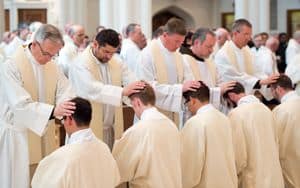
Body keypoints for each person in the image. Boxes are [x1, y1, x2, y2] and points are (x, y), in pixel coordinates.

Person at [0, 24, 75, 188]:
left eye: (54, 55)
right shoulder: (11, 65)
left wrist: (64, 104)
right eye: (47, 53)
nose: (49, 59)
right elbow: (20, 105)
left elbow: (66, 89)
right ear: (34, 44)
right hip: (18, 138)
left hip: (43, 133)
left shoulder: (51, 65)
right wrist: (53, 111)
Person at [69, 29, 144, 149]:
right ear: (95, 44)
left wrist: (140, 89)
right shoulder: (80, 63)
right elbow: (91, 89)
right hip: (88, 129)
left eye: (112, 53)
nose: (109, 56)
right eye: (106, 51)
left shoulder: (116, 62)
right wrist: (122, 91)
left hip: (111, 129)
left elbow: (131, 79)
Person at [31, 97, 120, 188]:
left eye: (63, 119)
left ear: (69, 119)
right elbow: (116, 179)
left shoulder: (60, 158)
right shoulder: (104, 148)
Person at [112, 83, 181, 188]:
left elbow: (117, 171)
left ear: (137, 102)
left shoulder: (137, 131)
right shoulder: (171, 126)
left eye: (132, 105)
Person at [137, 17, 199, 126]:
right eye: (176, 41)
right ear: (165, 35)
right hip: (153, 118)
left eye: (181, 42)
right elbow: (146, 88)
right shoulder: (148, 54)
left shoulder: (179, 56)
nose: (179, 46)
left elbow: (188, 80)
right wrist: (180, 89)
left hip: (174, 116)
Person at [224, 82, 284, 188]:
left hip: (253, 177)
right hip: (274, 174)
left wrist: (233, 175)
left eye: (227, 102)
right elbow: (276, 141)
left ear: (231, 96)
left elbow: (239, 153)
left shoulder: (236, 114)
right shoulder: (266, 110)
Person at [180, 81, 237, 188]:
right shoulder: (224, 118)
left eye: (186, 103)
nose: (187, 107)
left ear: (192, 100)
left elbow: (191, 164)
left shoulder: (194, 123)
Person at [214, 19, 278, 98]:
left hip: (248, 96)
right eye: (246, 34)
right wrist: (259, 82)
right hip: (232, 98)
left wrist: (269, 81)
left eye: (250, 34)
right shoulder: (223, 54)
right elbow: (234, 77)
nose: (249, 38)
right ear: (235, 33)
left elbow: (256, 71)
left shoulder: (247, 50)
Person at [182, 28, 235, 111]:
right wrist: (218, 91)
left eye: (213, 46)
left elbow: (219, 81)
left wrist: (226, 89)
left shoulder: (210, 61)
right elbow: (193, 91)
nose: (212, 50)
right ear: (196, 43)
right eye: (209, 46)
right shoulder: (184, 60)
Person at [271, 74, 300, 188]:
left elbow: (274, 139)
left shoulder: (280, 111)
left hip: (290, 163)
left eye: (272, 90)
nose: (272, 95)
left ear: (278, 89)